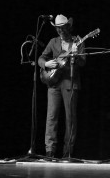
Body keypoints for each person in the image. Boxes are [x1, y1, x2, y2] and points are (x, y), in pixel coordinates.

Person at [38, 14, 86, 158]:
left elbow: (83, 62)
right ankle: (50, 151)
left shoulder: (77, 42)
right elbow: (41, 58)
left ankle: (68, 152)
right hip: (53, 83)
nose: (60, 30)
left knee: (70, 118)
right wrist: (46, 64)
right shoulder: (53, 41)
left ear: (68, 27)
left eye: (62, 27)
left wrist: (76, 56)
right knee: (51, 117)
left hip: (70, 84)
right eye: (57, 28)